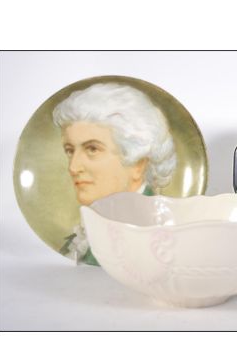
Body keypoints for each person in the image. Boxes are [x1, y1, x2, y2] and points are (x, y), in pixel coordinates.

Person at [53, 82, 177, 264]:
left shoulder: (149, 233)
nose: (73, 167)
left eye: (92, 149)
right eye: (70, 150)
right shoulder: (86, 233)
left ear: (138, 164)